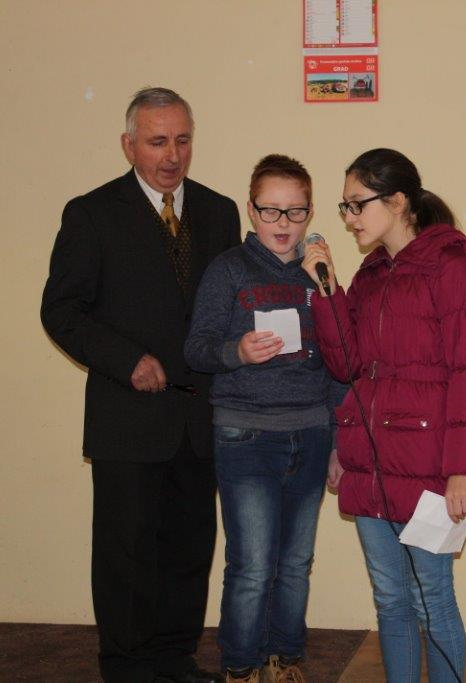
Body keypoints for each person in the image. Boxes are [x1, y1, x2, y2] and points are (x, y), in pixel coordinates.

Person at [41, 87, 241, 683]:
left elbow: (231, 307)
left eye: (182, 140)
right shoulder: (91, 214)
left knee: (189, 550)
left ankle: (175, 660)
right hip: (127, 419)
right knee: (126, 555)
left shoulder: (219, 211)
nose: (171, 155)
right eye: (157, 142)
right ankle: (127, 668)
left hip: (200, 419)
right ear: (129, 145)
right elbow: (62, 311)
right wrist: (125, 359)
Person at [301, 148, 466, 683]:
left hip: (429, 468)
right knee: (390, 599)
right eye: (344, 207)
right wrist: (327, 291)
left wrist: (462, 470)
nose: (349, 218)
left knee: (432, 598)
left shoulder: (453, 270)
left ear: (399, 200)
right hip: (370, 464)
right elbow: (348, 365)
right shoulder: (370, 276)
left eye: (357, 204)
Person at [184, 154, 345, 683]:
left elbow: (341, 360)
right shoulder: (229, 269)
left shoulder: (319, 274)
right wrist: (238, 351)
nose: (283, 223)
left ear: (311, 213)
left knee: (296, 562)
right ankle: (241, 666)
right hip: (246, 434)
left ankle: (286, 658)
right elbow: (197, 349)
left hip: (311, 431)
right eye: (271, 210)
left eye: (295, 212)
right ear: (251, 211)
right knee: (252, 565)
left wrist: (338, 439)